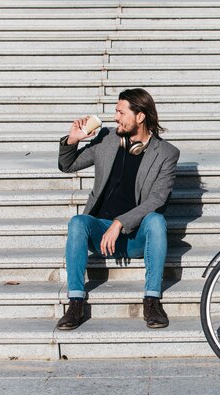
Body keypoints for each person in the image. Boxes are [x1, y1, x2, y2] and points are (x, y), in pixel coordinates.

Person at [56, 88, 180, 330]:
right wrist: (72, 140)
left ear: (140, 116)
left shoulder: (166, 154)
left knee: (156, 220)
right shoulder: (107, 139)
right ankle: (75, 302)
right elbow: (67, 165)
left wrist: (120, 222)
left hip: (135, 237)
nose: (115, 117)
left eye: (120, 112)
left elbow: (157, 200)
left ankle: (152, 300)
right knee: (77, 222)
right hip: (101, 231)